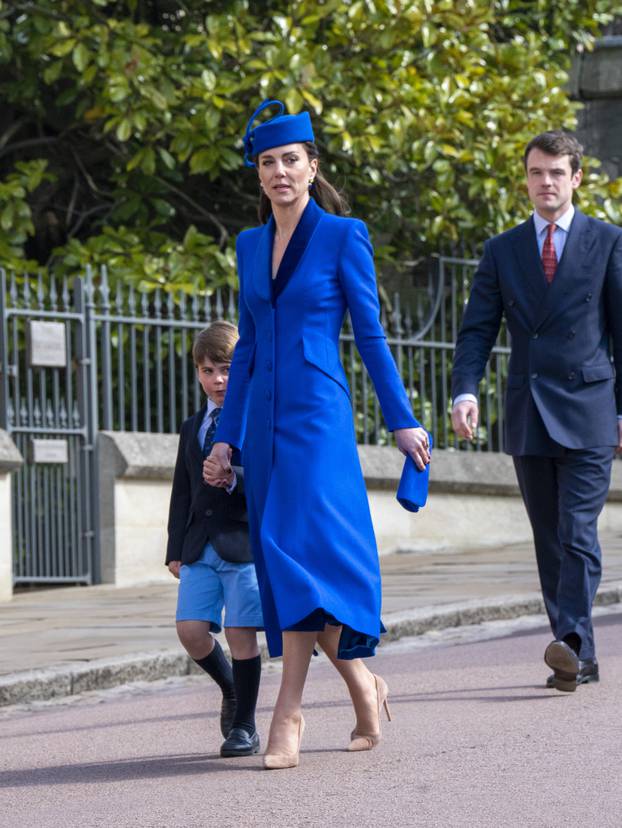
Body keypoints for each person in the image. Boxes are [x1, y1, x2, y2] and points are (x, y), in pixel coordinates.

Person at [203, 99, 430, 770]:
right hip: (266, 429)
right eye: (268, 162)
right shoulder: (248, 245)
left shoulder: (342, 235)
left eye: (291, 160)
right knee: (288, 561)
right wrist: (227, 437)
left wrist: (402, 417)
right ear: (259, 172)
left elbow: (369, 335)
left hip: (319, 420)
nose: (280, 171)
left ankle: (288, 713)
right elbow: (243, 353)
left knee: (297, 552)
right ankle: (364, 686)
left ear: (312, 166)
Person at [451, 130, 622, 692]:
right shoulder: (503, 249)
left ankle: (569, 644)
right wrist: (466, 391)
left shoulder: (608, 241)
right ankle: (580, 653)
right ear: (525, 180)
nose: (544, 182)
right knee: (549, 538)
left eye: (555, 173)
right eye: (535, 173)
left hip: (591, 406)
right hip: (529, 410)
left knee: (577, 531)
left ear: (575, 178)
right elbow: (477, 330)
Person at [166, 322, 264, 757]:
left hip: (241, 545)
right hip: (198, 546)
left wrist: (232, 479)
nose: (217, 379)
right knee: (190, 631)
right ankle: (231, 690)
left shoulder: (256, 417)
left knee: (242, 634)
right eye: (207, 370)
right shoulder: (192, 427)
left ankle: (244, 725)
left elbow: (269, 478)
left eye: (225, 368)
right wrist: (174, 550)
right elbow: (181, 491)